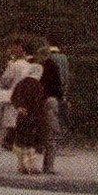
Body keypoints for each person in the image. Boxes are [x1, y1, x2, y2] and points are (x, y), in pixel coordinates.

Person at [0, 40, 31, 151]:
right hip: (25, 95)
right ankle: (16, 144)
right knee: (20, 121)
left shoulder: (14, 65)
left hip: (13, 95)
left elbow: (5, 80)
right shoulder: (30, 66)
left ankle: (0, 142)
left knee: (7, 120)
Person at [11, 63, 45, 174]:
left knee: (20, 141)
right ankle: (32, 166)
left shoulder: (21, 83)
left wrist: (19, 107)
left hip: (22, 116)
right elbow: (39, 102)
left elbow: (13, 97)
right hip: (34, 116)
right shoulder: (38, 85)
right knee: (32, 143)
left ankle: (21, 166)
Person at [37, 46, 65, 175]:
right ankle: (48, 166)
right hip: (53, 100)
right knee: (51, 135)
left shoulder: (44, 67)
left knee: (48, 134)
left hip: (46, 101)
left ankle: (45, 166)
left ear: (43, 55)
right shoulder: (54, 67)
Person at [46, 37, 71, 140]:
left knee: (50, 111)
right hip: (61, 88)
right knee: (60, 110)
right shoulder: (63, 58)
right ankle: (59, 134)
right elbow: (66, 74)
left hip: (50, 88)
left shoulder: (48, 57)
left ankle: (52, 134)